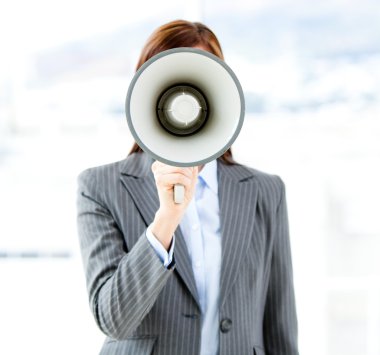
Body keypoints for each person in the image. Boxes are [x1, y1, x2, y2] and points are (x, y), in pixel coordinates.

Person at [77, 19, 298, 355]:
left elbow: (278, 325)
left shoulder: (265, 192)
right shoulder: (101, 187)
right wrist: (166, 220)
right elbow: (114, 320)